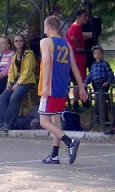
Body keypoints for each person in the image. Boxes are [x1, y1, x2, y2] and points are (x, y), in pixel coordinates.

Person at [39, 15, 88, 165]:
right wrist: (81, 87)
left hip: (51, 86)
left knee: (44, 121)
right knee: (55, 120)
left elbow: (47, 63)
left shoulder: (46, 41)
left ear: (47, 27)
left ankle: (70, 141)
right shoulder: (66, 44)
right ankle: (54, 155)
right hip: (62, 87)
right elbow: (74, 66)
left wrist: (46, 86)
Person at [0, 35, 36, 131]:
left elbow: (27, 72)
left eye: (20, 41)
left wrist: (18, 84)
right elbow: (10, 71)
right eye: (16, 41)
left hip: (27, 81)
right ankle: (1, 123)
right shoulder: (14, 55)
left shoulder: (28, 54)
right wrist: (9, 82)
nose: (18, 43)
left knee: (14, 97)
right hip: (15, 81)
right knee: (3, 97)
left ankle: (9, 123)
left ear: (24, 42)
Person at [66, 9, 91, 111]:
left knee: (76, 81)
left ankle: (76, 103)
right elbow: (72, 38)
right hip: (78, 57)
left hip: (75, 57)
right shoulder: (76, 27)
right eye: (84, 16)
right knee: (78, 81)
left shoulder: (73, 26)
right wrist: (79, 47)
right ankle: (76, 104)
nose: (86, 18)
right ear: (78, 16)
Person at [84, 45, 114, 125]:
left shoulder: (105, 64)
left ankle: (103, 121)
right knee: (99, 102)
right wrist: (85, 84)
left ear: (103, 54)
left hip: (103, 84)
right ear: (93, 55)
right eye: (95, 53)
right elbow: (90, 76)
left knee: (99, 102)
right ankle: (100, 120)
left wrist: (107, 82)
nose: (97, 55)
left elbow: (111, 75)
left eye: (99, 53)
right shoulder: (93, 65)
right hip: (96, 84)